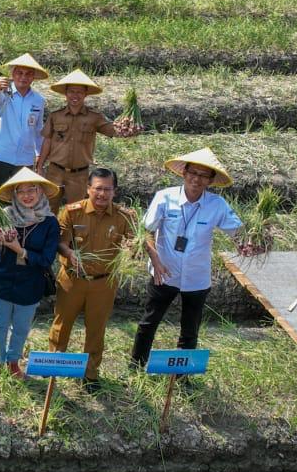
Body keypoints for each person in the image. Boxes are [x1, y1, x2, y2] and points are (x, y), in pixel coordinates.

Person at [130, 148, 242, 369]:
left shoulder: (217, 205)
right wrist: (156, 261)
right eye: (193, 173)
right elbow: (146, 231)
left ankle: (182, 374)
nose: (197, 179)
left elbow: (238, 233)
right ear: (184, 173)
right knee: (149, 322)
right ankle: (136, 365)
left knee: (190, 329)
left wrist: (252, 242)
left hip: (196, 276)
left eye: (203, 175)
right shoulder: (165, 197)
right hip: (164, 273)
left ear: (210, 180)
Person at [48, 168, 133, 392]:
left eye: (107, 189)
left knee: (96, 330)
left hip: (104, 283)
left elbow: (135, 244)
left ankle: (90, 375)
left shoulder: (124, 217)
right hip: (72, 280)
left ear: (115, 191)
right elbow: (60, 242)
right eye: (97, 189)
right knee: (61, 326)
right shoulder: (72, 212)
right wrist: (69, 254)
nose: (102, 194)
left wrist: (134, 249)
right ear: (88, 189)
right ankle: (53, 368)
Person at [0, 167, 60, 381]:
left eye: (31, 190)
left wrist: (20, 250)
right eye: (20, 191)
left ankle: (13, 362)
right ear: (14, 195)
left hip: (30, 283)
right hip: (4, 279)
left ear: (41, 192)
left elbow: (46, 260)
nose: (26, 195)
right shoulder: (4, 215)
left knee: (21, 327)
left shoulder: (50, 222)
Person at [35, 70, 120, 211]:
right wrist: (39, 166)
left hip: (79, 175)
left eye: (79, 92)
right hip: (55, 171)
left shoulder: (94, 117)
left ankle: (72, 234)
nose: (75, 95)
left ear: (86, 94)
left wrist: (127, 128)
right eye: (71, 91)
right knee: (47, 209)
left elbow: (113, 131)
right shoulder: (56, 116)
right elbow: (47, 141)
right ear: (66, 93)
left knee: (76, 211)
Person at [0, 53, 49, 186]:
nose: (23, 77)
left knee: (21, 197)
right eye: (19, 73)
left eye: (28, 74)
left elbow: (38, 129)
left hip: (25, 158)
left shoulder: (38, 100)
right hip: (0, 154)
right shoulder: (4, 92)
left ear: (33, 77)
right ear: (13, 75)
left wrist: (39, 153)